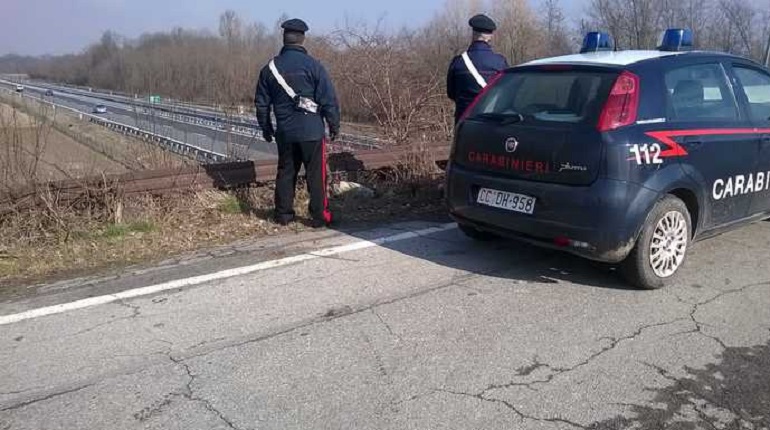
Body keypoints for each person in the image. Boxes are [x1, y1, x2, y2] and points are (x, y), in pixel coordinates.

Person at [255, 18, 340, 228]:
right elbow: (328, 99)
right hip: (312, 132)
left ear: (284, 38)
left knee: (286, 172)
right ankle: (319, 217)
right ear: (302, 39)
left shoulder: (269, 69)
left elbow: (261, 104)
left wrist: (266, 128)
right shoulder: (314, 66)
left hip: (285, 132)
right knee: (316, 176)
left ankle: (283, 215)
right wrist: (334, 125)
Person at [446, 14, 509, 124]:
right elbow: (506, 94)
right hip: (491, 122)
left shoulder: (458, 62)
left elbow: (451, 93)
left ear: (473, 34)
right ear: (490, 36)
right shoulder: (500, 62)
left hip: (464, 122)